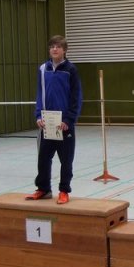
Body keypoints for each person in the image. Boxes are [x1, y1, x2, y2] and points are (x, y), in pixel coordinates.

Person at [26, 35, 82, 204]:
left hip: (64, 124)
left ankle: (64, 191)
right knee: (43, 158)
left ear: (64, 50)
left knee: (66, 160)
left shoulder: (71, 70)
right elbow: (39, 93)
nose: (54, 49)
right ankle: (43, 189)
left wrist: (69, 120)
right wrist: (38, 115)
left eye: (58, 46)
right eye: (52, 46)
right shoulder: (43, 69)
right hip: (47, 123)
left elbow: (76, 97)